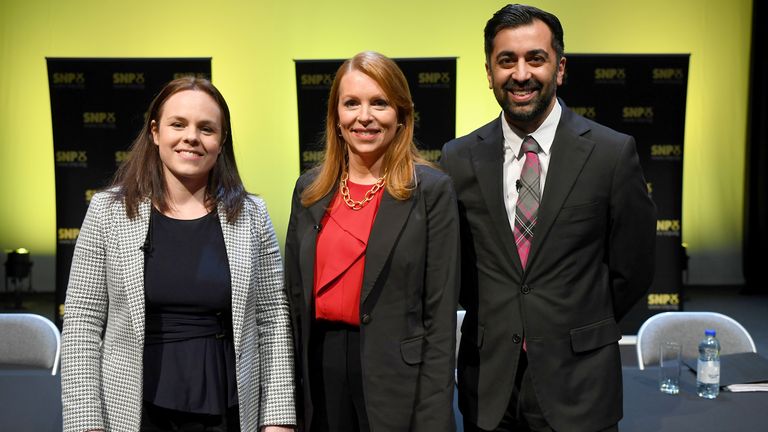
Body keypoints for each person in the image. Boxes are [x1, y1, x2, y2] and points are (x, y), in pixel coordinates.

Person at [440, 4, 657, 432]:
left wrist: (575, 320)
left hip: (580, 384)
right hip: (488, 386)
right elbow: (461, 270)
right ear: (489, 73)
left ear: (559, 68)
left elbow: (633, 269)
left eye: (535, 58)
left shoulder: (612, 154)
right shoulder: (458, 158)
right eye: (507, 61)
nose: (521, 74)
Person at [61, 77, 295, 432]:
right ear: (155, 133)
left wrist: (278, 419)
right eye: (178, 124)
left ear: (221, 141)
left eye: (206, 128)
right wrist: (85, 422)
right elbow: (82, 321)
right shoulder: (107, 212)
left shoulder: (251, 215)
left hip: (227, 404)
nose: (192, 137)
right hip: (133, 410)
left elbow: (273, 320)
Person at [284, 51, 460, 432]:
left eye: (379, 103)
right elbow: (293, 300)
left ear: (400, 115)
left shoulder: (432, 191)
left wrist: (433, 416)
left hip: (398, 382)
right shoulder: (309, 190)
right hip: (320, 375)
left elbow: (441, 319)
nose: (364, 116)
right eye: (352, 103)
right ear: (336, 117)